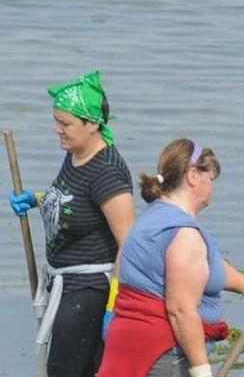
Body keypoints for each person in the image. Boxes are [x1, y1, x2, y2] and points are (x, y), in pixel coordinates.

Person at [98, 138, 244, 377]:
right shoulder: (184, 234)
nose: (212, 188)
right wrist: (201, 368)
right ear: (193, 176)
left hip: (126, 344)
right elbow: (180, 310)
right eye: (211, 179)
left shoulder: (153, 216)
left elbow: (202, 267)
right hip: (162, 355)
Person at [7, 70, 136, 377]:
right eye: (56, 120)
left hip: (90, 290)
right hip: (67, 286)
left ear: (92, 124)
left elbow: (129, 242)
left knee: (66, 371)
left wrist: (113, 305)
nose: (57, 130)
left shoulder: (107, 174)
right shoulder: (78, 153)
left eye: (65, 123)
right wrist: (38, 198)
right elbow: (73, 197)